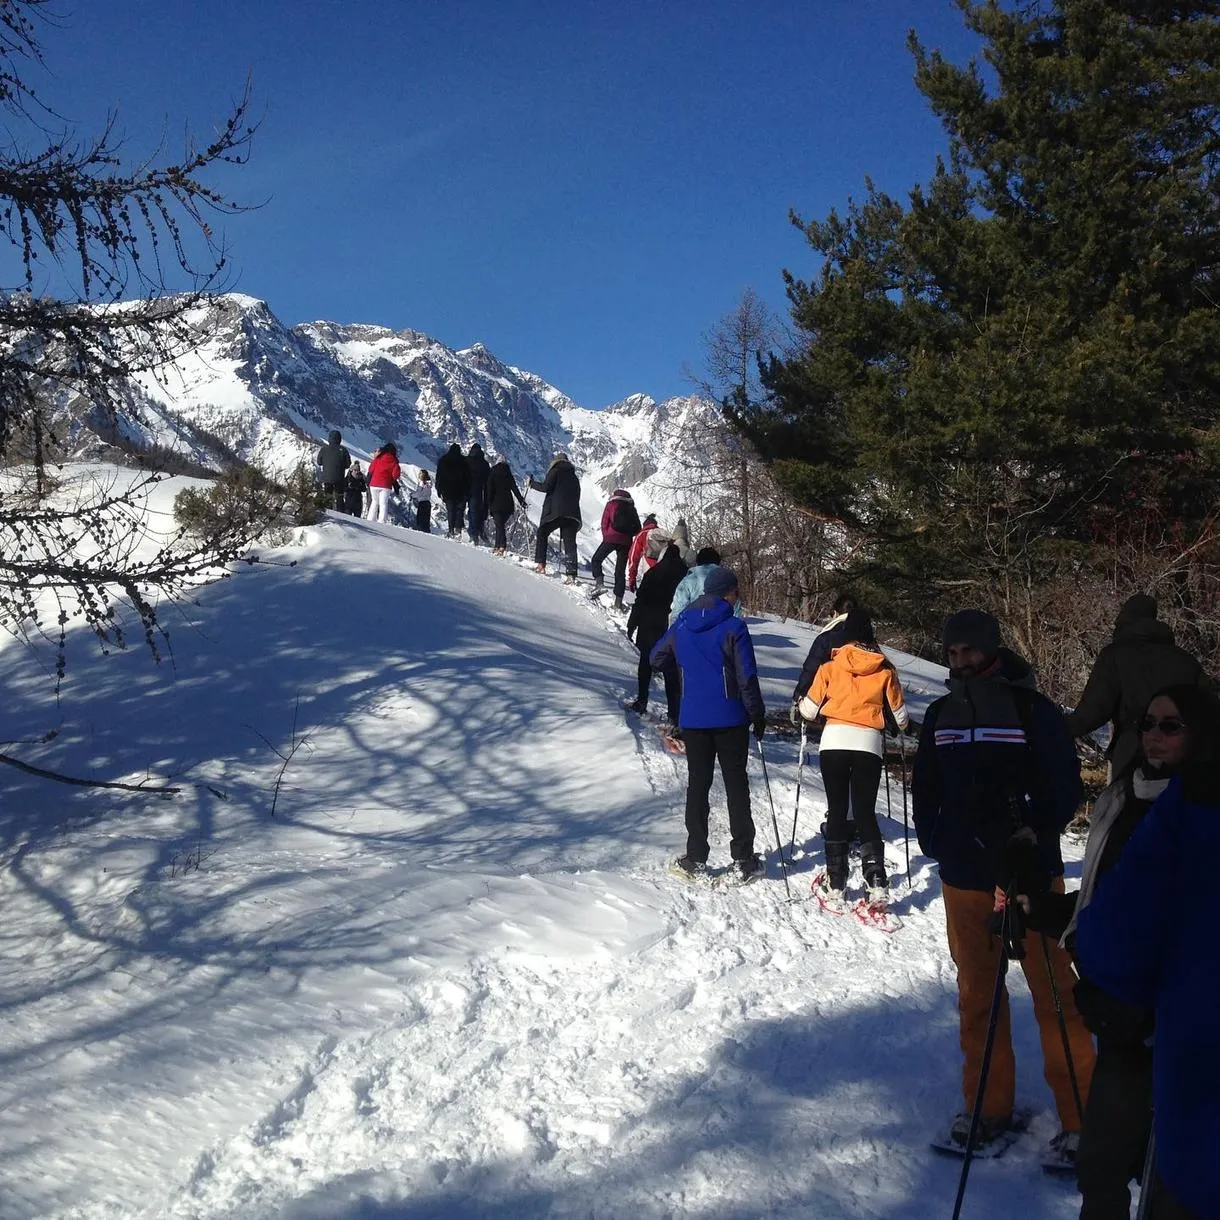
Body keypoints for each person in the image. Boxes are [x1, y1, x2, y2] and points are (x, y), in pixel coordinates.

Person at [1016, 685, 1220, 1217]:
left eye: (1170, 726)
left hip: (1176, 1030)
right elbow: (1101, 902)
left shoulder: (1198, 809)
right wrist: (1039, 910)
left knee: (1169, 1181)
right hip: (1115, 1018)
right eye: (1147, 724)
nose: (1154, 735)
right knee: (1101, 1164)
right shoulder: (1123, 796)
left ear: (1199, 734)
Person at [911, 609, 1095, 1157]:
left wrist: (1032, 835)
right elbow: (926, 786)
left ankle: (1083, 1119)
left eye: (969, 650)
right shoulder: (941, 714)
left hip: (1029, 876)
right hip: (964, 876)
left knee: (1056, 996)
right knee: (977, 995)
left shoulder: (1030, 709)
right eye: (952, 653)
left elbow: (1064, 788)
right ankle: (987, 1108)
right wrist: (936, 839)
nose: (960, 660)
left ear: (991, 650)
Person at [650, 567, 767, 883]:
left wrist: (684, 672)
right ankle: (743, 858)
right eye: (736, 591)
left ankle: (695, 858)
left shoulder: (682, 625)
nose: (738, 596)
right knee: (736, 786)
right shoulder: (734, 627)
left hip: (694, 719)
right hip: (731, 718)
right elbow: (747, 676)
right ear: (728, 593)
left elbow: (655, 658)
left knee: (698, 785)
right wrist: (757, 714)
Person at [796, 610, 908, 907]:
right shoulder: (885, 670)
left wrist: (805, 706)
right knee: (864, 812)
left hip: (834, 741)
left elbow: (809, 710)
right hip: (868, 743)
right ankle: (876, 881)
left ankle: (836, 882)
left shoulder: (831, 667)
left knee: (836, 809)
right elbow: (901, 719)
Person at [1066, 594, 1209, 778]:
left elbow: (1093, 712)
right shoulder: (1187, 662)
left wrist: (1054, 729)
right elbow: (1206, 711)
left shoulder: (1115, 656)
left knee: (1125, 804)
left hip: (1131, 753)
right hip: (1179, 756)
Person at [625, 542, 687, 723]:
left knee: (645, 663)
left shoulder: (652, 573)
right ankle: (674, 714)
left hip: (650, 624)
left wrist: (632, 623)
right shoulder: (685, 576)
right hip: (674, 627)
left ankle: (642, 700)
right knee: (671, 671)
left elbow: (641, 600)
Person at [789, 594, 861, 720]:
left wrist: (798, 696)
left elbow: (811, 669)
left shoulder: (827, 638)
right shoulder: (866, 640)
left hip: (830, 703)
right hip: (861, 706)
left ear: (836, 614)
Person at [526, 454, 581, 582]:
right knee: (570, 543)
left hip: (556, 511)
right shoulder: (574, 477)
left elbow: (546, 487)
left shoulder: (555, 471)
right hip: (573, 514)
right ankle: (571, 573)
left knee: (543, 532)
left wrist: (532, 484)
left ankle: (541, 564)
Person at [591, 489, 640, 609]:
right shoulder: (631, 507)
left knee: (596, 560)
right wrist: (628, 535)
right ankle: (618, 603)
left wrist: (607, 535)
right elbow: (638, 528)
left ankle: (600, 584)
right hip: (626, 542)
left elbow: (604, 522)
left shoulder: (612, 504)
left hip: (611, 538)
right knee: (620, 572)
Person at [669, 548, 746, 624]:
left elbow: (678, 610)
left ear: (698, 562)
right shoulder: (726, 580)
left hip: (692, 629)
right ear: (718, 562)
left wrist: (674, 632)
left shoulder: (688, 580)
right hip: (722, 631)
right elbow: (736, 612)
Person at [486, 455, 527, 554]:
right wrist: (522, 501)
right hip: (508, 504)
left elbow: (489, 489)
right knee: (500, 525)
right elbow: (515, 489)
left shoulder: (492, 473)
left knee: (499, 525)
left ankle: (501, 546)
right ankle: (497, 546)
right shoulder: (508, 474)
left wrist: (488, 503)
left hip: (496, 504)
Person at [435, 442, 471, 538]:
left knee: (451, 510)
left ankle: (451, 530)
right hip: (461, 490)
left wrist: (439, 489)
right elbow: (468, 478)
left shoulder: (443, 460)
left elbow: (439, 476)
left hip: (447, 490)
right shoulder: (464, 461)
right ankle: (458, 528)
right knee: (459, 510)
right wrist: (467, 491)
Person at [365, 442, 401, 524]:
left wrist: (368, 481)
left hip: (373, 484)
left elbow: (371, 469)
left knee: (374, 501)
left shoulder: (378, 458)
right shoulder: (394, 461)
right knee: (383, 503)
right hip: (385, 485)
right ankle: (382, 521)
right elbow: (396, 475)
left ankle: (370, 519)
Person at [316, 429, 350, 511]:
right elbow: (347, 464)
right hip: (339, 478)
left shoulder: (324, 449)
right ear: (340, 439)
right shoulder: (343, 450)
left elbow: (319, 462)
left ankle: (328, 512)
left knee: (328, 495)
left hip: (327, 477)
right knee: (339, 496)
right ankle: (341, 514)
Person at [626, 514, 659, 593]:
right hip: (666, 571)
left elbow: (633, 557)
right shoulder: (664, 534)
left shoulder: (642, 534)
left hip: (650, 571)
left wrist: (632, 578)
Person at [466, 443, 491, 544]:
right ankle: (475, 533)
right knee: (475, 511)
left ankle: (473, 533)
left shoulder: (467, 460)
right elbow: (488, 479)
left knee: (471, 511)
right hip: (479, 490)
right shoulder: (484, 463)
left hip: (466, 488)